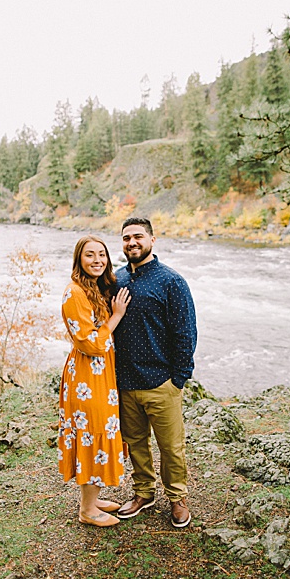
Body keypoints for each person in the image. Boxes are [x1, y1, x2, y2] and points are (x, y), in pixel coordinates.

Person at [111, 217, 199, 528]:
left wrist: (178, 379)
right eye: (126, 238)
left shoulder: (171, 281)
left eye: (137, 236)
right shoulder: (115, 279)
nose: (131, 243)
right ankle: (143, 493)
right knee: (135, 443)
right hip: (125, 381)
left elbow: (185, 333)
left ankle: (177, 498)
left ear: (152, 239)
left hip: (161, 382)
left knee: (171, 446)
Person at [59, 236, 132, 526]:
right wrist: (117, 316)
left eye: (102, 254)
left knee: (100, 432)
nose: (97, 260)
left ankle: (92, 499)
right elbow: (91, 343)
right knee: (93, 434)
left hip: (101, 373)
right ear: (79, 259)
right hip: (87, 376)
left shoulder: (93, 288)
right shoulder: (74, 292)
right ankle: (87, 511)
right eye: (90, 255)